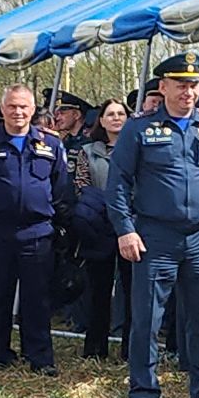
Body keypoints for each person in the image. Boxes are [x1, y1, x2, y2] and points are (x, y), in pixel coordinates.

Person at [106, 52, 199, 398]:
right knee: (148, 319)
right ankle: (143, 392)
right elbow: (118, 183)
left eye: (194, 85)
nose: (188, 91)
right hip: (156, 236)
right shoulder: (140, 128)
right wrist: (125, 230)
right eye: (181, 84)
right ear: (163, 86)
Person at [0, 85, 68, 382]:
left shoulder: (50, 144)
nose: (18, 112)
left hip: (37, 232)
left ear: (33, 109)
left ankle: (40, 357)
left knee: (37, 298)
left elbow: (60, 188)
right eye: (12, 106)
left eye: (24, 106)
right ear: (2, 108)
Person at [71, 98, 132, 361]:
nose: (116, 118)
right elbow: (80, 184)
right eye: (111, 114)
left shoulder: (136, 148)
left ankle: (130, 349)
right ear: (102, 120)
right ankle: (95, 348)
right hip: (99, 226)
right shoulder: (88, 151)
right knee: (98, 289)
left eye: (121, 113)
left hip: (132, 226)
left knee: (132, 291)